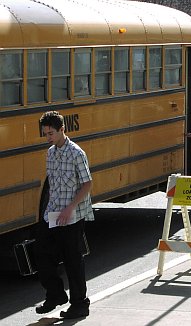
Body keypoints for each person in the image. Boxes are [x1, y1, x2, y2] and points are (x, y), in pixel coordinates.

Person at [35, 111, 94, 319]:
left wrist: (70, 208)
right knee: (41, 253)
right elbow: (52, 183)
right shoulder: (50, 153)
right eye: (45, 134)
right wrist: (46, 211)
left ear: (62, 130)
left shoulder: (77, 153)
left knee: (72, 260)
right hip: (52, 212)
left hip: (73, 215)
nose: (48, 138)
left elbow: (87, 183)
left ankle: (79, 305)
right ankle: (55, 295)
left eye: (51, 133)